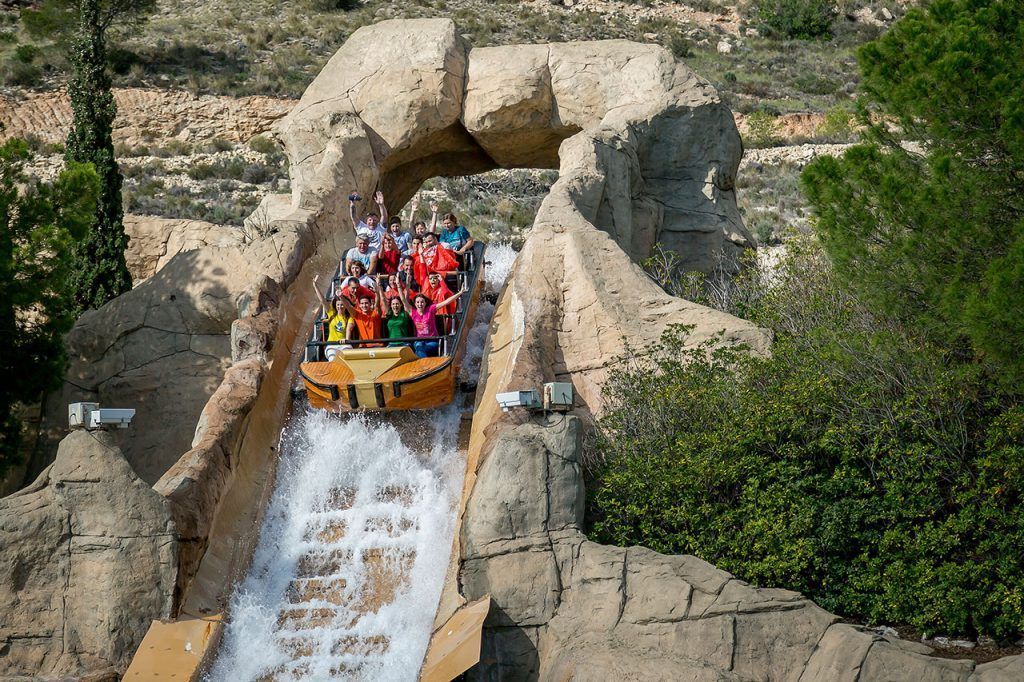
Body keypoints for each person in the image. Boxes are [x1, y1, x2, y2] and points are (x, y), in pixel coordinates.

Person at [402, 284, 466, 358]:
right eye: (418, 302)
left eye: (422, 302)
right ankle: (424, 363)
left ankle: (423, 364)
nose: (420, 304)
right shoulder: (413, 312)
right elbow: (404, 301)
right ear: (415, 304)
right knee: (418, 346)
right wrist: (400, 285)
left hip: (432, 341)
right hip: (419, 341)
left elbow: (446, 302)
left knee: (419, 350)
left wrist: (460, 293)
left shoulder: (431, 309)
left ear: (425, 303)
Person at [313, 274, 355, 361]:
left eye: (342, 305)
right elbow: (322, 301)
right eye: (338, 305)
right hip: (332, 345)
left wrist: (346, 340)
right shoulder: (331, 313)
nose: (340, 307)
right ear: (335, 306)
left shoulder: (349, 317)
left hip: (344, 344)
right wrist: (315, 286)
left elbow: (349, 330)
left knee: (347, 358)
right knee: (333, 359)